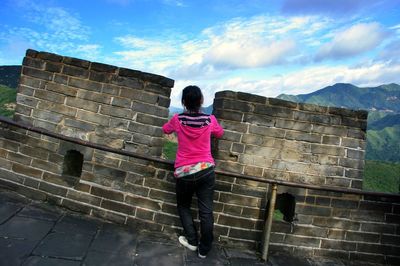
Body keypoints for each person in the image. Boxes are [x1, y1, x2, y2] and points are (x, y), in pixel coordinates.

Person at [162, 85, 224, 258]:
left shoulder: (177, 119)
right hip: (206, 169)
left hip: (184, 171)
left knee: (183, 206)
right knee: (206, 211)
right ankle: (204, 250)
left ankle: (192, 240)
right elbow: (220, 133)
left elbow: (165, 129)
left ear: (183, 102)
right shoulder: (210, 119)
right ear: (201, 101)